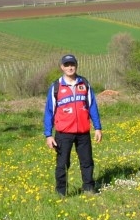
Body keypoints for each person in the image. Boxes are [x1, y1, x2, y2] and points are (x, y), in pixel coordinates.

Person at [43, 54, 103, 196]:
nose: (70, 67)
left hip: (83, 132)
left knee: (87, 162)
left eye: (72, 64)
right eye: (67, 65)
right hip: (64, 133)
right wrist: (48, 134)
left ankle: (88, 188)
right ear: (62, 67)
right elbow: (49, 111)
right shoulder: (56, 87)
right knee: (62, 164)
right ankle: (61, 193)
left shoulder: (84, 84)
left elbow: (92, 106)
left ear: (76, 65)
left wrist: (98, 127)